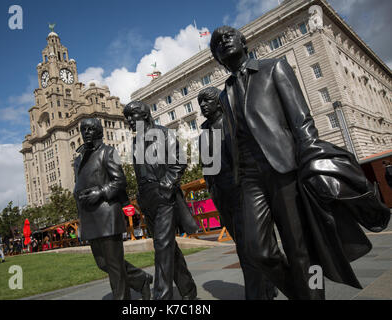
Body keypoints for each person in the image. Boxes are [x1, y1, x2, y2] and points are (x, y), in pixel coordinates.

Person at [210, 25, 390, 300]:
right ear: (218, 58)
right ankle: (300, 293)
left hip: (285, 168)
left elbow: (301, 120)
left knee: (300, 246)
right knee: (258, 250)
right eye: (217, 43)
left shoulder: (274, 68)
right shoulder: (224, 95)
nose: (223, 40)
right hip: (249, 178)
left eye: (228, 35)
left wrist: (310, 160)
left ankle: (312, 296)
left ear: (243, 42)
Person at [197, 86, 277, 300]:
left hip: (242, 191)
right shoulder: (204, 131)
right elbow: (207, 166)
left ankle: (257, 293)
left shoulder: (231, 122)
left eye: (207, 100)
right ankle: (269, 284)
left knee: (246, 247)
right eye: (200, 103)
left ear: (219, 102)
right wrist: (210, 186)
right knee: (242, 242)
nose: (203, 105)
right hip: (221, 196)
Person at [123, 101, 198, 300]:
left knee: (162, 246)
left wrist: (166, 184)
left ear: (145, 115)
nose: (130, 121)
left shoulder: (163, 133)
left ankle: (162, 296)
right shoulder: (135, 141)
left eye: (133, 116)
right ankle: (188, 290)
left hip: (164, 195)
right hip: (146, 199)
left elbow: (179, 161)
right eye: (127, 118)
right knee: (168, 248)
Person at [73, 118, 153, 300]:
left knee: (114, 265)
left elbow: (120, 181)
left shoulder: (108, 152)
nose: (86, 133)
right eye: (83, 129)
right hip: (89, 216)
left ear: (99, 131)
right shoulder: (78, 160)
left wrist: (100, 192)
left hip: (107, 213)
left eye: (90, 129)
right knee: (103, 263)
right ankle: (141, 279)